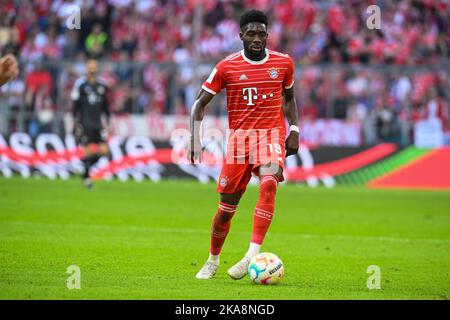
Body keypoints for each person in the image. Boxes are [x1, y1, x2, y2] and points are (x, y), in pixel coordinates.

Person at [190, 10, 299, 280]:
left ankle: (251, 255)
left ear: (267, 35)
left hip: (270, 135)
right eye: (251, 33)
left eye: (262, 33)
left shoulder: (283, 63)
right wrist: (194, 137)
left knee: (270, 180)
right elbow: (199, 103)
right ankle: (213, 260)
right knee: (226, 211)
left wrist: (294, 128)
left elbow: (289, 99)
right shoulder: (227, 67)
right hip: (239, 141)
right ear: (241, 35)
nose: (257, 38)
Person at [71, 59, 111, 188]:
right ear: (87, 69)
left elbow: (106, 107)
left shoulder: (102, 86)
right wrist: (75, 122)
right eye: (90, 67)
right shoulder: (81, 85)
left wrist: (108, 123)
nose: (92, 69)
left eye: (94, 66)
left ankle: (83, 167)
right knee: (88, 151)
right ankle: (87, 180)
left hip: (98, 123)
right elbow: (75, 106)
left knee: (104, 151)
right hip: (85, 123)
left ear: (97, 69)